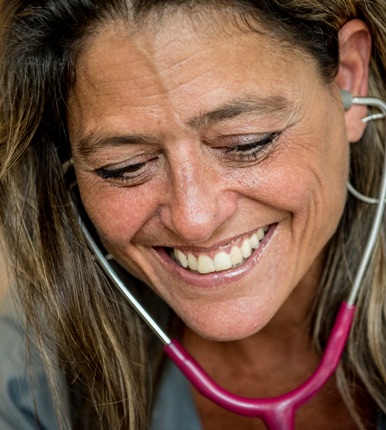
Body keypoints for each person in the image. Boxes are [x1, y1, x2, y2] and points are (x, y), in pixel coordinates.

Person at [1, 0, 386, 428]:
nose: (194, 219)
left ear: (349, 76)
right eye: (125, 167)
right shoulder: (21, 381)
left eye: (246, 143)